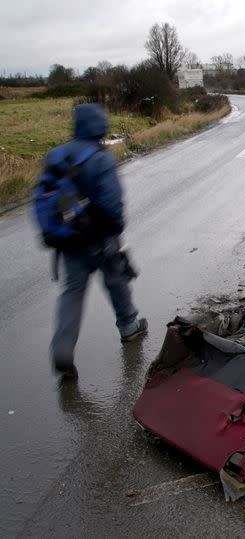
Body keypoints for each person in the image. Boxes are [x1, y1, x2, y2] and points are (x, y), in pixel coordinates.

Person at [46, 103, 147, 377]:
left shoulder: (58, 155)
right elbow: (112, 203)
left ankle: (62, 348)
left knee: (72, 294)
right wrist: (115, 231)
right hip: (101, 237)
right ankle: (129, 326)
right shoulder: (101, 158)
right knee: (116, 280)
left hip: (69, 243)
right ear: (100, 126)